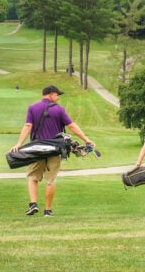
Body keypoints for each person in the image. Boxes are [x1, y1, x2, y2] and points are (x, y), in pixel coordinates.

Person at [11, 84, 95, 217]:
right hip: (55, 150)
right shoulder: (59, 110)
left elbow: (28, 126)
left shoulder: (33, 108)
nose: (58, 97)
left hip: (37, 148)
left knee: (32, 176)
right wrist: (86, 139)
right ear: (50, 94)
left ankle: (33, 204)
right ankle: (48, 211)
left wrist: (19, 144)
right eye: (57, 95)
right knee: (50, 180)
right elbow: (72, 126)